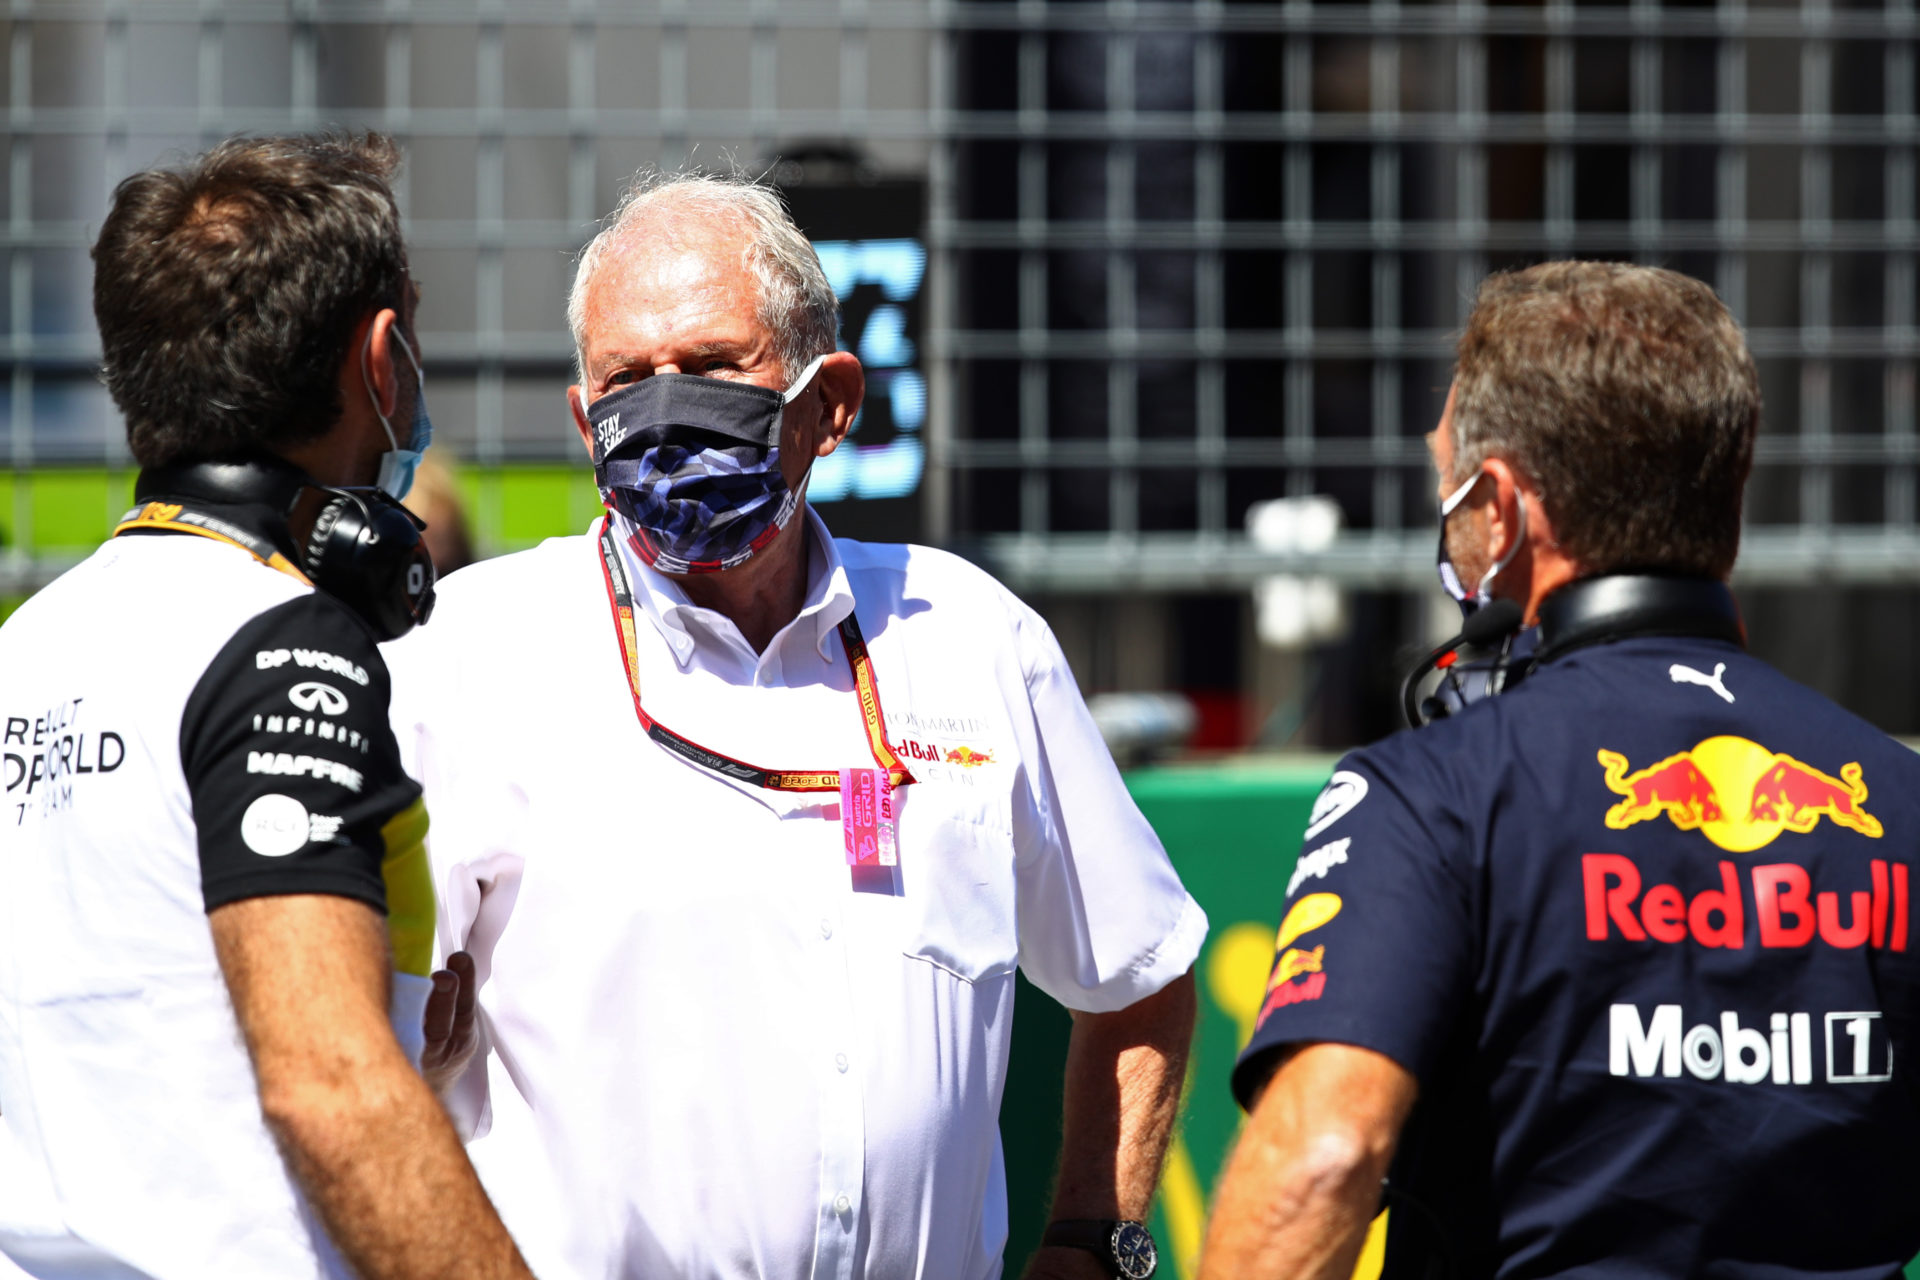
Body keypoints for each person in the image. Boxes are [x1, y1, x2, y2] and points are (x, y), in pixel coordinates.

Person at [384, 170, 1206, 1280]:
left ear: (832, 404)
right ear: (585, 422)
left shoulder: (970, 636)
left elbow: (1140, 972)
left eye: (714, 366)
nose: (667, 410)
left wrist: (1091, 1243)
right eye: (627, 379)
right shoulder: (470, 657)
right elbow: (343, 1049)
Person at [1200, 261, 1920, 1278]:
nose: (1446, 522)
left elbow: (1324, 1156)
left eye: (1449, 492)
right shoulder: (1900, 799)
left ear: (1500, 508)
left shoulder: (1435, 792)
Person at [0, 134, 534, 1280]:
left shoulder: (28, 645)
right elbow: (330, 1088)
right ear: (382, 358)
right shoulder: (284, 644)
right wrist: (373, 1064)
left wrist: (404, 1038)